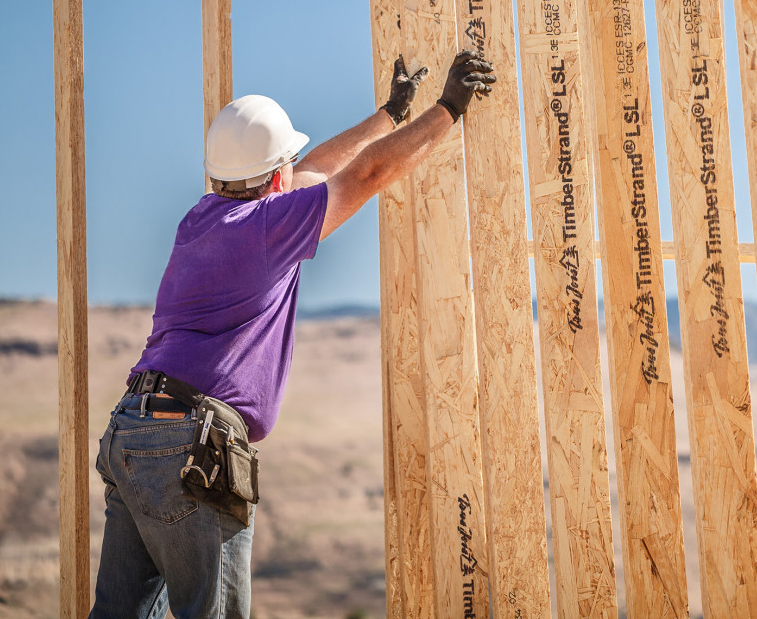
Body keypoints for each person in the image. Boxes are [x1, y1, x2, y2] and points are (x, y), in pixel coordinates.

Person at [88, 49, 496, 619]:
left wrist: (388, 115)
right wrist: (447, 109)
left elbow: (313, 173)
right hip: (189, 447)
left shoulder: (201, 220)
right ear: (275, 177)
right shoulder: (266, 228)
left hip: (132, 433)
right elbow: (364, 175)